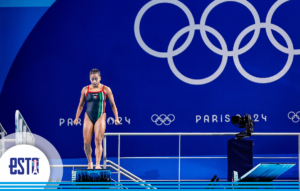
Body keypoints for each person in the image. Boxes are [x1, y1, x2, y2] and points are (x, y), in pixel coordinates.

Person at [74, 68, 120, 169]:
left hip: (100, 116)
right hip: (88, 116)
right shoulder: (85, 89)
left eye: (96, 79)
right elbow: (80, 105)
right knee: (86, 142)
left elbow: (113, 104)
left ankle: (98, 164)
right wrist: (76, 118)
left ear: (100, 78)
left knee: (98, 140)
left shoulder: (106, 89)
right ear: (90, 79)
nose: (94, 81)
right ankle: (90, 162)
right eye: (92, 79)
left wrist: (116, 117)